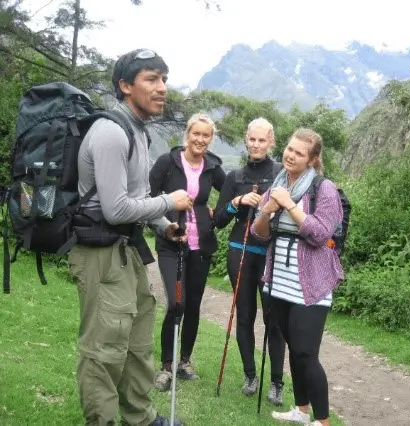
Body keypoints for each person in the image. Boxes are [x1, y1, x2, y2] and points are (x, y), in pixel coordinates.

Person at [68, 49, 191, 426]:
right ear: (124, 85)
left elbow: (138, 197)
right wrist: (170, 201)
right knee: (103, 348)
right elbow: (116, 209)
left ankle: (139, 417)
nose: (162, 88)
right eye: (151, 79)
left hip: (126, 249)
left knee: (137, 338)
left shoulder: (137, 131)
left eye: (164, 79)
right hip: (100, 253)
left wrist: (163, 225)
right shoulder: (110, 133)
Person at [251, 128, 344, 426]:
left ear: (312, 159)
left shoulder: (324, 189)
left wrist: (289, 205)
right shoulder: (279, 183)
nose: (290, 155)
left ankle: (323, 421)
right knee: (294, 349)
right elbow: (259, 233)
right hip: (279, 281)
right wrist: (266, 210)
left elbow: (320, 234)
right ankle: (302, 411)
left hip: (311, 284)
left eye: (299, 153)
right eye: (289, 149)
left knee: (306, 353)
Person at [150, 113, 226, 391]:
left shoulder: (213, 167)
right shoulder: (167, 162)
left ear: (211, 138)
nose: (200, 139)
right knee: (176, 303)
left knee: (192, 305)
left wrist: (217, 212)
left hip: (200, 247)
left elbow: (229, 192)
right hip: (171, 243)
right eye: (196, 133)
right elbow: (148, 197)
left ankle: (184, 362)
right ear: (187, 134)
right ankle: (166, 366)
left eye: (206, 135)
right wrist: (165, 224)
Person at [213, 118, 286, 404]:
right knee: (244, 315)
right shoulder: (235, 177)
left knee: (274, 319)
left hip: (270, 253)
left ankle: (277, 382)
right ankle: (250, 375)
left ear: (271, 142)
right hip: (239, 250)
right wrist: (237, 202)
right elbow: (219, 220)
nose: (256, 145)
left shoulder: (280, 173)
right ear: (246, 139)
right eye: (252, 139)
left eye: (262, 140)